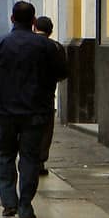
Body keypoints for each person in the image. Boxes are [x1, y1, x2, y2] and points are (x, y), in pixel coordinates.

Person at [0, 0, 68, 218]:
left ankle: (9, 202)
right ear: (34, 21)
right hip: (37, 111)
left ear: (12, 19)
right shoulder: (46, 46)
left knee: (5, 154)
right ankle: (25, 205)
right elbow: (62, 72)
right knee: (30, 158)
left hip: (7, 111)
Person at [33, 15, 65, 176]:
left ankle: (27, 157)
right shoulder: (57, 47)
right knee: (46, 129)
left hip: (26, 95)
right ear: (51, 31)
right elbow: (63, 73)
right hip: (46, 95)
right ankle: (40, 161)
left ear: (34, 27)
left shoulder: (27, 44)